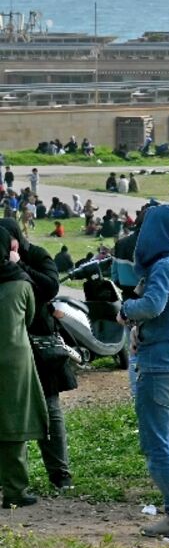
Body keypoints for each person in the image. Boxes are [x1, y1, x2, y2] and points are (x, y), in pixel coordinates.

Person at [118, 205, 169, 537]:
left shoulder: (164, 267)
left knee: (158, 445)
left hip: (158, 368)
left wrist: (127, 308)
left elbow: (153, 305)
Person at [2, 218, 75, 492]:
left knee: (50, 408)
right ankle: (11, 479)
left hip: (39, 343)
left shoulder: (37, 255)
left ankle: (60, 473)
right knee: (9, 414)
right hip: (13, 346)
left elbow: (49, 287)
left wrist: (19, 265)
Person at [0, 225, 47, 509]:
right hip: (14, 361)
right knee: (13, 424)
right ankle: (15, 490)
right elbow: (28, 318)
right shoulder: (20, 283)